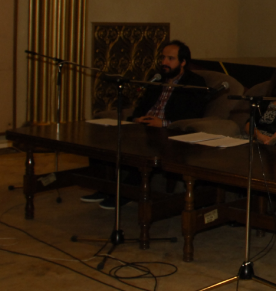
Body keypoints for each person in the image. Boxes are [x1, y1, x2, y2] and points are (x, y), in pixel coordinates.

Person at [81, 40, 209, 208]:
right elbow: (141, 107)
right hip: (143, 127)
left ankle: (124, 193)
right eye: (163, 58)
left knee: (144, 149)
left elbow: (194, 114)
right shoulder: (156, 79)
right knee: (102, 139)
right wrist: (137, 119)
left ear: (183, 62)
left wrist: (164, 123)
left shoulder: (195, 82)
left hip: (167, 132)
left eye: (170, 59)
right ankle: (105, 188)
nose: (164, 62)